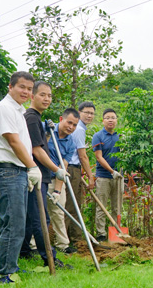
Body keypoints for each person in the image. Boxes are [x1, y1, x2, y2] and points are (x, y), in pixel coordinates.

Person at [0, 71, 42, 284]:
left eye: (29, 89)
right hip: (7, 171)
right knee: (14, 224)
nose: (26, 92)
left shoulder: (18, 111)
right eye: (22, 87)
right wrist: (32, 166)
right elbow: (13, 141)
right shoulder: (4, 109)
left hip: (17, 171)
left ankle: (10, 267)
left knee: (14, 223)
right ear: (10, 87)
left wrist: (26, 170)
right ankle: (5, 274)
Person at [19, 81, 71, 269]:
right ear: (32, 95)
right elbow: (37, 150)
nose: (47, 98)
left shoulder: (35, 119)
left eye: (49, 95)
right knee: (41, 218)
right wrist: (57, 169)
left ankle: (24, 251)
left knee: (29, 216)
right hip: (37, 174)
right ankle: (49, 258)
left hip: (38, 174)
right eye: (42, 94)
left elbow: (40, 143)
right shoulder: (31, 118)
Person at [46, 108, 80, 254]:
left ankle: (62, 245)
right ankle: (33, 245)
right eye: (69, 122)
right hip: (40, 177)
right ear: (61, 119)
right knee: (37, 212)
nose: (71, 127)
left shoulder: (71, 142)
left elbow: (63, 165)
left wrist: (57, 191)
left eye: (74, 125)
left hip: (56, 178)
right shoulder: (46, 129)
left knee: (59, 212)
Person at [65, 102, 96, 246]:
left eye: (92, 113)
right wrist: (90, 176)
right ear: (79, 112)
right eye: (86, 112)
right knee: (71, 206)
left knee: (76, 204)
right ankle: (64, 240)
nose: (89, 115)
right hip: (71, 168)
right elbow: (82, 155)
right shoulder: (78, 129)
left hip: (75, 169)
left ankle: (76, 238)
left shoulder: (80, 129)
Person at [92, 108, 122, 242]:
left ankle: (115, 232)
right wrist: (111, 171)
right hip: (104, 176)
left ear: (116, 120)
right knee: (102, 206)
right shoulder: (98, 136)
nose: (110, 120)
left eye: (113, 117)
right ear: (103, 120)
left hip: (119, 177)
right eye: (108, 117)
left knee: (117, 206)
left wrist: (120, 172)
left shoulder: (120, 137)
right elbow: (99, 157)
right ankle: (101, 234)